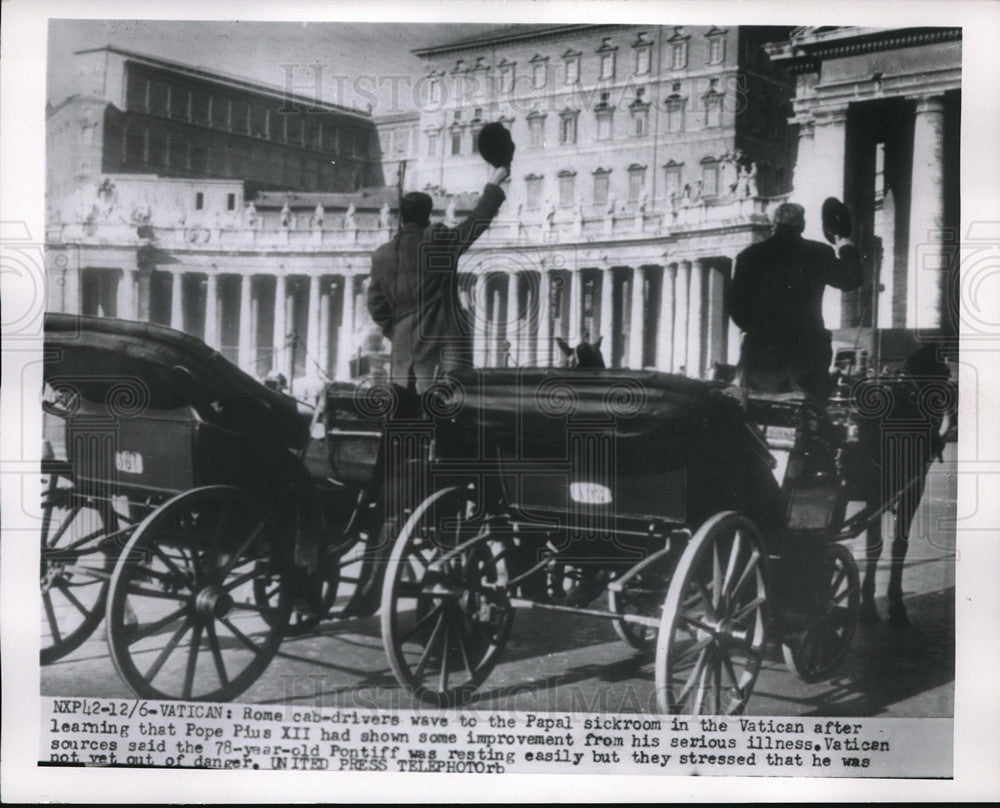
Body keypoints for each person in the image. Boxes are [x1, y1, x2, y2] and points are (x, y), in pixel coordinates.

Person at [367, 164, 510, 397]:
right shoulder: (438, 243)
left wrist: (398, 330)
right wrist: (493, 184)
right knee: (451, 421)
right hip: (446, 354)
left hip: (404, 357)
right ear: (428, 215)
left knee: (405, 419)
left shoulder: (382, 254)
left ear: (402, 218)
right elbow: (476, 223)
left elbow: (377, 307)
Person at [731, 202, 862, 400]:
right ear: (802, 225)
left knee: (758, 413)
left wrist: (760, 330)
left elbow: (737, 310)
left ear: (774, 224)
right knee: (809, 416)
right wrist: (845, 247)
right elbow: (851, 279)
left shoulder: (749, 256)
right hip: (807, 354)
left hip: (762, 355)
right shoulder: (818, 253)